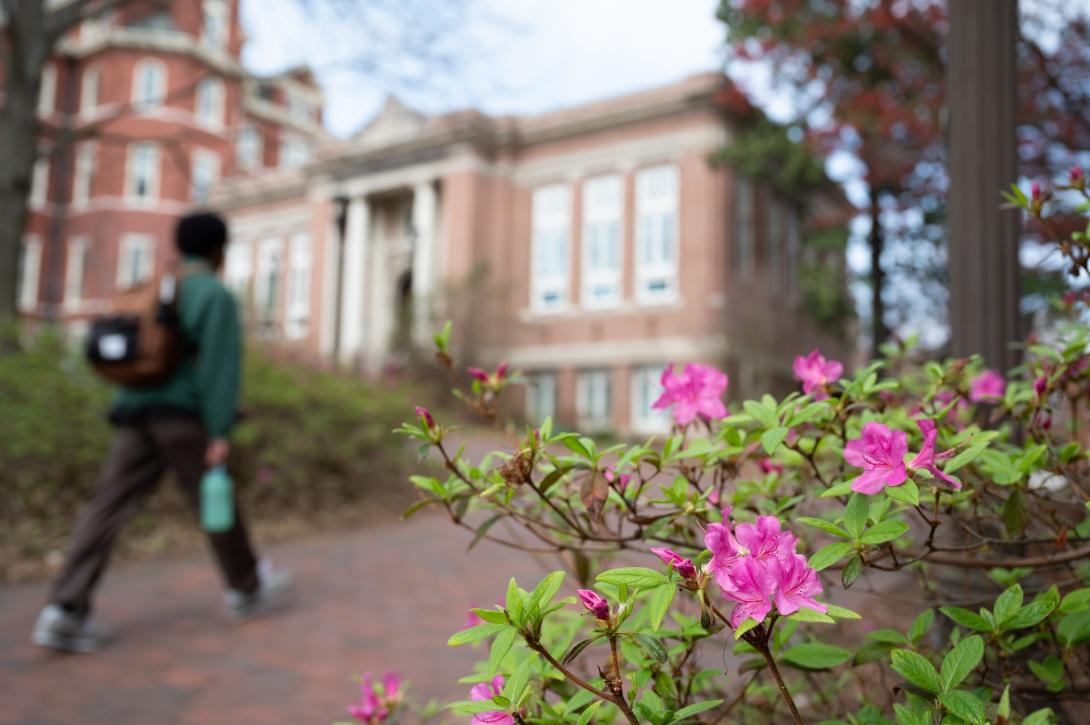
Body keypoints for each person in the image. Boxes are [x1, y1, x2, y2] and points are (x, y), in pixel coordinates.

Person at [32, 212, 291, 653]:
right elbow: (219, 369)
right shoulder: (213, 294)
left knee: (106, 506)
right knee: (215, 500)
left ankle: (63, 610)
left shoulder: (160, 287)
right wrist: (220, 429)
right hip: (183, 419)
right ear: (218, 250)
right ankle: (246, 588)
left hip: (134, 412)